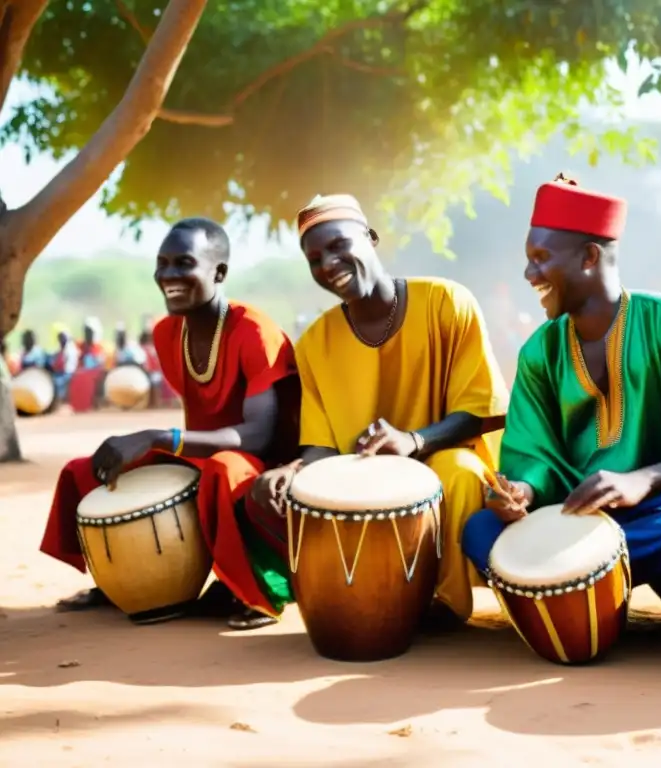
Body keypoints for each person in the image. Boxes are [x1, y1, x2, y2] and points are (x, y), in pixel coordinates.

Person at [459, 175, 661, 626]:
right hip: (567, 514)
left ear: (590, 256)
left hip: (654, 510)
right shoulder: (540, 350)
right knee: (480, 531)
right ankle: (575, 587)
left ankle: (559, 586)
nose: (528, 274)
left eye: (540, 258)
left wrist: (642, 480)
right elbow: (532, 452)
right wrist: (523, 491)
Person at [250, 194, 509, 626]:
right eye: (314, 259)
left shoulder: (446, 301)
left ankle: (445, 602)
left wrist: (413, 441)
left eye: (337, 246)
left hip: (439, 456)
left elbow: (480, 409)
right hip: (360, 476)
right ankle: (365, 594)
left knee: (460, 471)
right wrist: (291, 470)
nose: (328, 264)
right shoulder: (315, 343)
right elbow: (321, 448)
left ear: (370, 237)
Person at [40, 217, 301, 631]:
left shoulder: (254, 329)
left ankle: (262, 590)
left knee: (224, 469)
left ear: (219, 272)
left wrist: (160, 437)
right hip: (198, 452)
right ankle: (120, 582)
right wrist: (157, 445)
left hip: (261, 463)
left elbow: (260, 434)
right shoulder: (166, 334)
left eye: (183, 263)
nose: (168, 275)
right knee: (85, 470)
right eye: (162, 264)